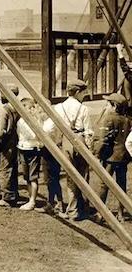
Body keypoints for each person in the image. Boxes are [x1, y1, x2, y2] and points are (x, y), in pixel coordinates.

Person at [43, 79, 93, 221]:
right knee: (83, 175)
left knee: (70, 176)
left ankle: (73, 210)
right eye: (83, 93)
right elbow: (89, 131)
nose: (84, 96)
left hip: (66, 141)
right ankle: (83, 208)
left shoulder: (59, 107)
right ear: (77, 92)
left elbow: (47, 128)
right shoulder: (84, 109)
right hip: (81, 139)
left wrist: (55, 139)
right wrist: (89, 149)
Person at [92, 92, 131, 223]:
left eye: (108, 103)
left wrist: (97, 154)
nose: (106, 105)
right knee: (121, 185)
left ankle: (100, 213)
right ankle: (121, 213)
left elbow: (103, 140)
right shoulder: (127, 120)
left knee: (104, 185)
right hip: (123, 157)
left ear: (114, 106)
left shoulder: (109, 118)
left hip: (109, 157)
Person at [0, 84, 21, 207]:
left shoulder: (4, 109)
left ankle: (7, 197)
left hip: (6, 142)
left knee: (4, 169)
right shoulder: (18, 107)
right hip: (16, 141)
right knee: (13, 168)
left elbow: (0, 130)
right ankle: (14, 193)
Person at [16, 98, 45, 211]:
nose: (28, 110)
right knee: (27, 176)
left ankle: (32, 200)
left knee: (33, 176)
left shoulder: (34, 120)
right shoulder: (21, 121)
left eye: (30, 108)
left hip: (33, 149)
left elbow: (34, 135)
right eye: (24, 108)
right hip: (23, 147)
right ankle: (30, 198)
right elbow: (19, 133)